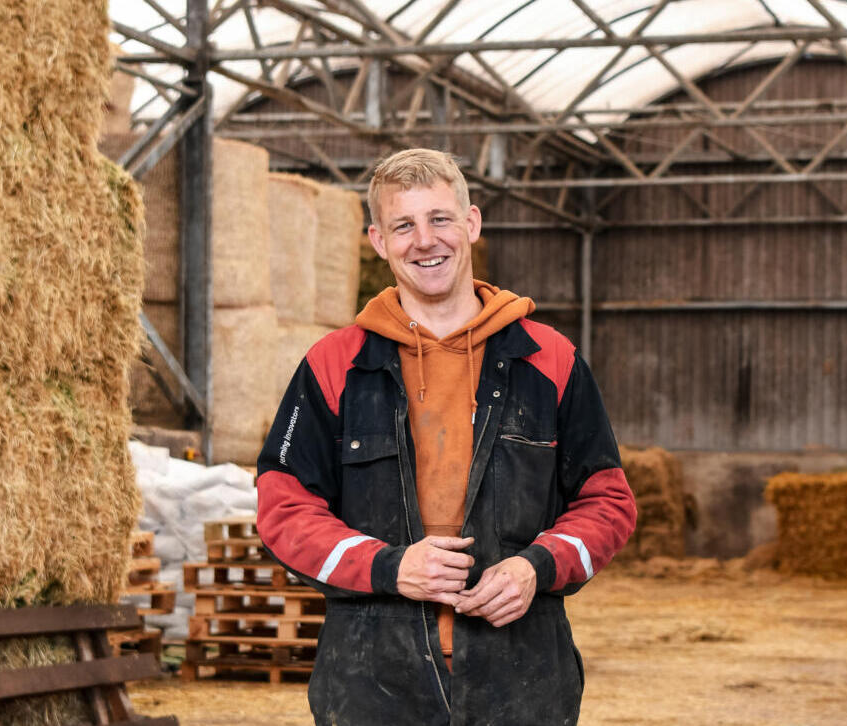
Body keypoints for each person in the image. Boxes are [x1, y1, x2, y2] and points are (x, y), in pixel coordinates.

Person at [256, 148, 636, 725]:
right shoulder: (334, 365)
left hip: (522, 678)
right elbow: (283, 508)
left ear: (472, 224)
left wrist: (537, 565)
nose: (425, 240)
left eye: (439, 219)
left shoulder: (550, 359)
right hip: (371, 683)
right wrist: (387, 566)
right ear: (377, 241)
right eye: (403, 225)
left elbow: (608, 503)